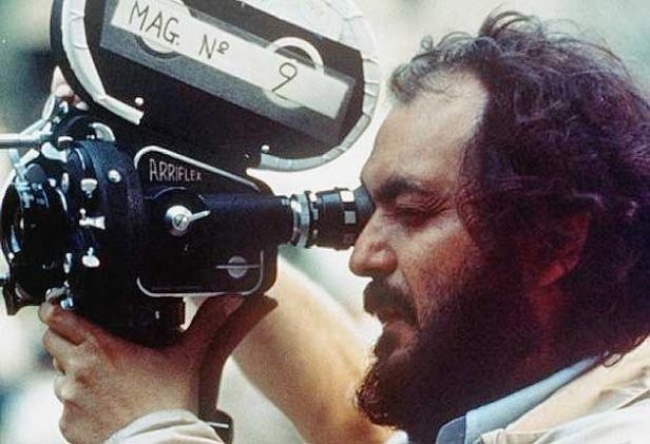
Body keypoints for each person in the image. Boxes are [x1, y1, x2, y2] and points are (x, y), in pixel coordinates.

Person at [39, 10, 650, 444]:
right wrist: (172, 220)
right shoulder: (503, 410)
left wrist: (149, 431)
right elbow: (356, 430)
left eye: (412, 212)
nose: (362, 255)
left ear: (553, 243)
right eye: (366, 210)